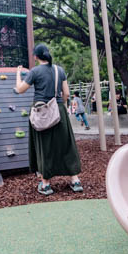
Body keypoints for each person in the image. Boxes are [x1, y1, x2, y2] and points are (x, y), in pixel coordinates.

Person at [15, 44, 83, 195]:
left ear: (36, 56)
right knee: (66, 144)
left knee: (44, 146)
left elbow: (20, 89)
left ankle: (45, 184)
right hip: (58, 110)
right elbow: (66, 93)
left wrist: (18, 73)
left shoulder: (34, 72)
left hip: (41, 112)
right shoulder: (60, 70)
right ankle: (75, 180)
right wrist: (60, 107)